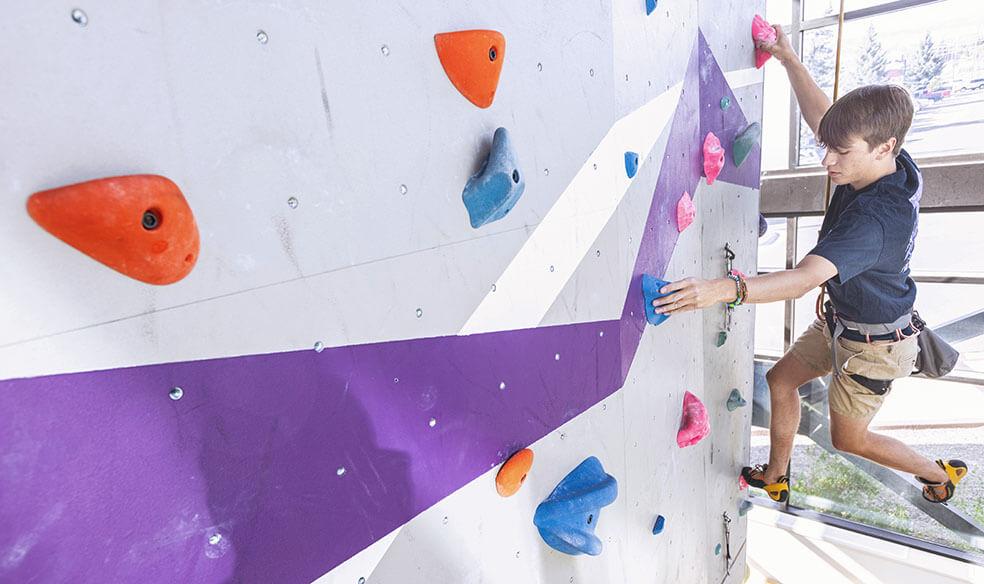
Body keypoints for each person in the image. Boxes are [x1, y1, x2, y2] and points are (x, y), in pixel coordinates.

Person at [651, 24, 968, 503]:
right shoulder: (894, 162)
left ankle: (940, 473)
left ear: (885, 147)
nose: (827, 161)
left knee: (849, 439)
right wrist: (789, 58)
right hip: (846, 322)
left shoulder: (875, 221)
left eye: (841, 152)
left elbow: (802, 280)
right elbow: (826, 119)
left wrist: (719, 290)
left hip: (876, 349)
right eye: (828, 147)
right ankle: (777, 476)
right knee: (782, 381)